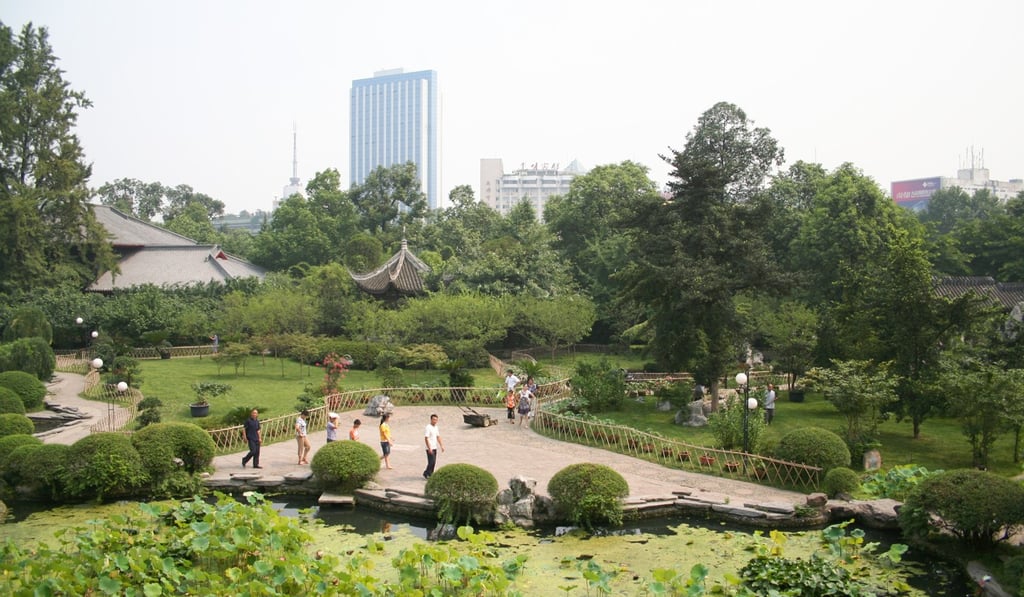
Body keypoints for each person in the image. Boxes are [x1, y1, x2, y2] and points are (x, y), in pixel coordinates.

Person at [423, 413, 444, 479]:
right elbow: (426, 438)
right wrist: (429, 448)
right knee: (431, 462)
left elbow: (438, 437)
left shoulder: (436, 427)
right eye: (434, 420)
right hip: (429, 447)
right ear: (431, 419)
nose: (435, 421)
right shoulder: (428, 427)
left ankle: (430, 473)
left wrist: (441, 445)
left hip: (434, 447)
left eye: (436, 420)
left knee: (434, 462)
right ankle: (427, 473)